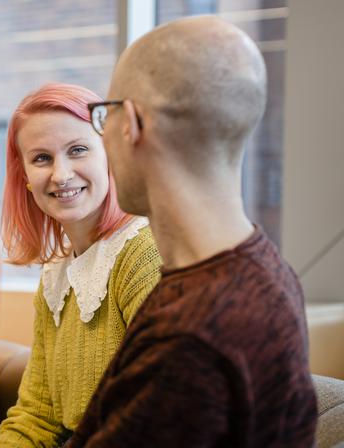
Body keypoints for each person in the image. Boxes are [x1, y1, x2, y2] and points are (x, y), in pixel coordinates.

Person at [68, 16, 317, 447]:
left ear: (131, 123)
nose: (103, 134)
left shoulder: (190, 338)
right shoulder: (264, 269)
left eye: (103, 115)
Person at [0, 83, 162, 447]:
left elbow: (154, 419)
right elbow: (36, 415)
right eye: (41, 158)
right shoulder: (56, 274)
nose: (61, 174)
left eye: (78, 150)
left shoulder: (144, 253)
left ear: (110, 154)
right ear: (24, 176)